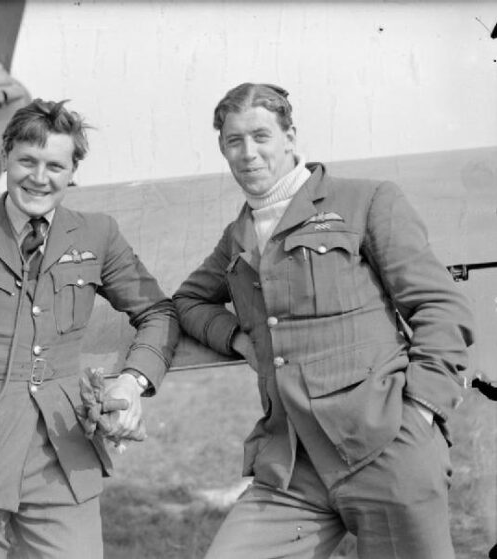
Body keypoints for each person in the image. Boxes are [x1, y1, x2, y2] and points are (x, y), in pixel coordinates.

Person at [173, 83, 474, 559]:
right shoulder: (238, 237)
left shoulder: (366, 201)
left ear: (290, 137)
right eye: (234, 141)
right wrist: (238, 339)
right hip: (292, 465)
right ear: (223, 149)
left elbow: (441, 307)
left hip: (385, 447)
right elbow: (188, 301)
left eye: (261, 136)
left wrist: (421, 412)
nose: (248, 153)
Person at [0, 99, 179, 559]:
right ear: (5, 158)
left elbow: (159, 312)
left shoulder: (97, 234)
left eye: (55, 166)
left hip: (62, 450)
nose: (39, 178)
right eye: (27, 161)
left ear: (72, 171)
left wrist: (133, 379)